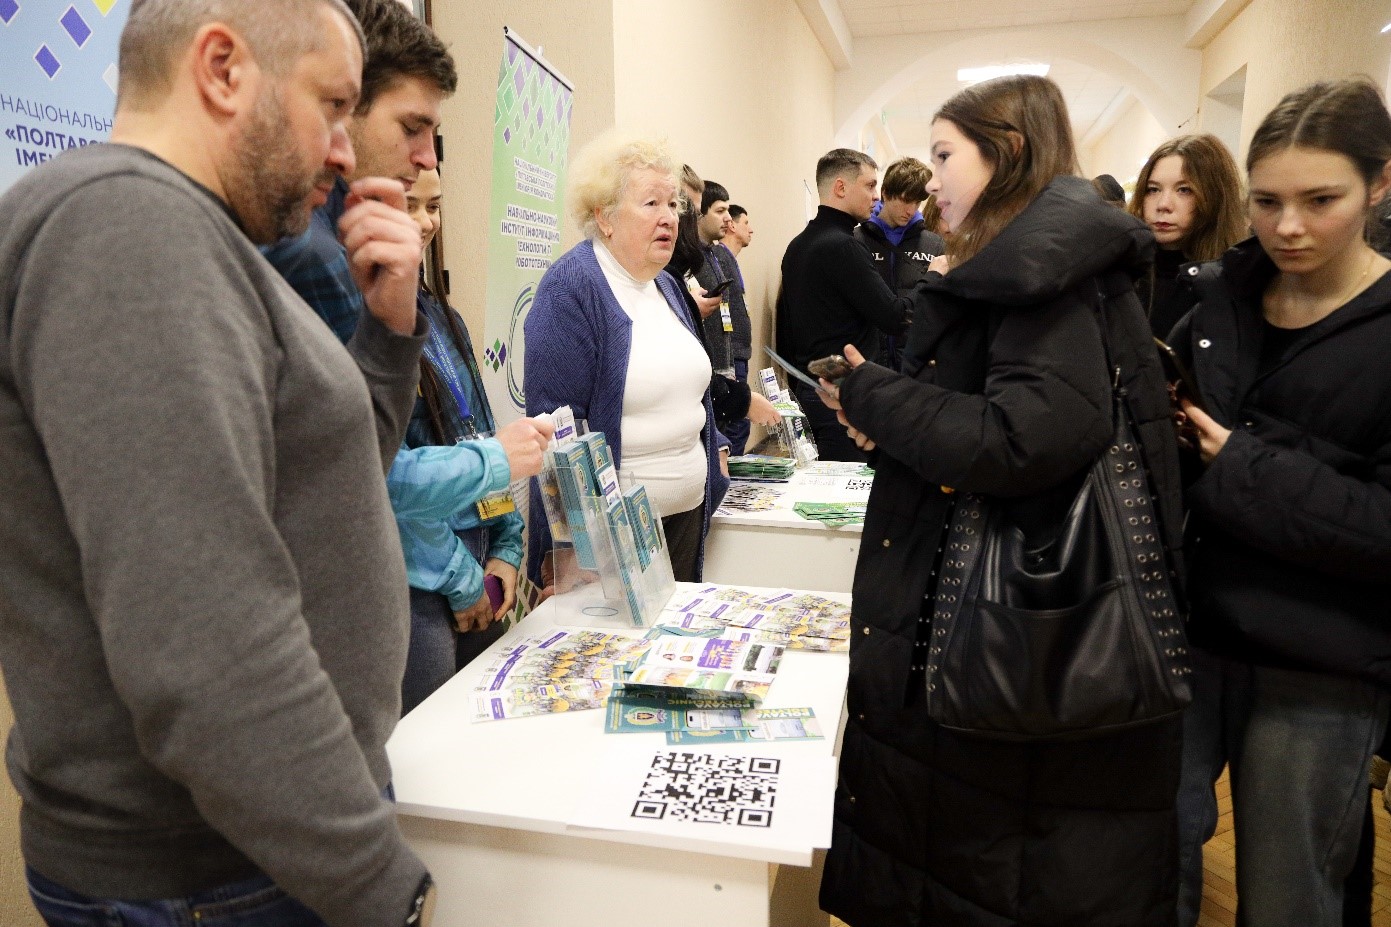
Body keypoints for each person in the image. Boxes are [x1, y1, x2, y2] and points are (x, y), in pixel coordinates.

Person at [0, 1, 440, 925]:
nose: (343, 151)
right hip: (220, 872)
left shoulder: (197, 238)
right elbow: (204, 642)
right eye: (332, 105)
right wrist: (375, 882)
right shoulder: (127, 226)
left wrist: (388, 331)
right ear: (223, 69)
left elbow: (324, 491)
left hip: (256, 852)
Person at [816, 75, 1184, 926]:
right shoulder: (1035, 265)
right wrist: (900, 429)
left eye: (945, 155)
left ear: (1007, 153)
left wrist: (873, 395)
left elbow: (1025, 438)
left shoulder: (1042, 275)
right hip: (995, 638)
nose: (929, 181)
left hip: (1010, 643)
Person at [260, 0, 552, 712]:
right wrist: (465, 565)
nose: (426, 158)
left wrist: (506, 542)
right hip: (391, 593)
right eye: (411, 128)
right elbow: (366, 470)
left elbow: (403, 432)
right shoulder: (307, 251)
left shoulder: (424, 303)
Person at [1169, 77, 1391, 927]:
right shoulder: (1216, 302)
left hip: (1319, 661)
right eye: (1265, 202)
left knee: (1288, 892)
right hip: (1188, 632)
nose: (1287, 226)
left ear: (1378, 183)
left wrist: (1240, 462)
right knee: (1149, 857)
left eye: (1319, 200)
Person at [524, 133, 730, 583]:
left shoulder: (667, 285)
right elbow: (556, 431)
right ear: (605, 216)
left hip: (688, 514)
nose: (669, 218)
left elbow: (689, 388)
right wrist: (570, 545)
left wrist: (716, 447)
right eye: (651, 203)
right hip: (611, 539)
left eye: (673, 204)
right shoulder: (571, 288)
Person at [394, 168, 554, 714]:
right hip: (423, 583)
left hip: (481, 566)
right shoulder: (366, 330)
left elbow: (484, 436)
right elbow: (390, 484)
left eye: (433, 206)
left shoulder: (443, 317)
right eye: (408, 204)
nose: (424, 223)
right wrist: (463, 581)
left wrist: (507, 548)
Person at [775, 148, 912, 461]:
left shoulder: (798, 246)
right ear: (840, 187)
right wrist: (932, 278)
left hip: (812, 390)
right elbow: (893, 317)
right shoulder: (843, 247)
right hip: (841, 394)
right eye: (869, 185)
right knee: (849, 489)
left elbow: (788, 331)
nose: (876, 196)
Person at [1128, 133, 1247, 339]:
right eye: (1153, 189)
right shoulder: (1123, 273)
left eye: (1184, 190)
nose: (1163, 205)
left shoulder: (1235, 283)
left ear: (1215, 196)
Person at [854, 156, 946, 370]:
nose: (911, 210)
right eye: (905, 200)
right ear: (885, 193)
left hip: (916, 364)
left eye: (917, 202)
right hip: (868, 362)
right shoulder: (856, 240)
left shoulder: (935, 245)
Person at [695, 180, 760, 455]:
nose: (727, 219)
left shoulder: (713, 254)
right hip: (713, 362)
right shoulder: (694, 257)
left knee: (732, 431)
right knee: (727, 434)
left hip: (729, 356)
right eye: (720, 211)